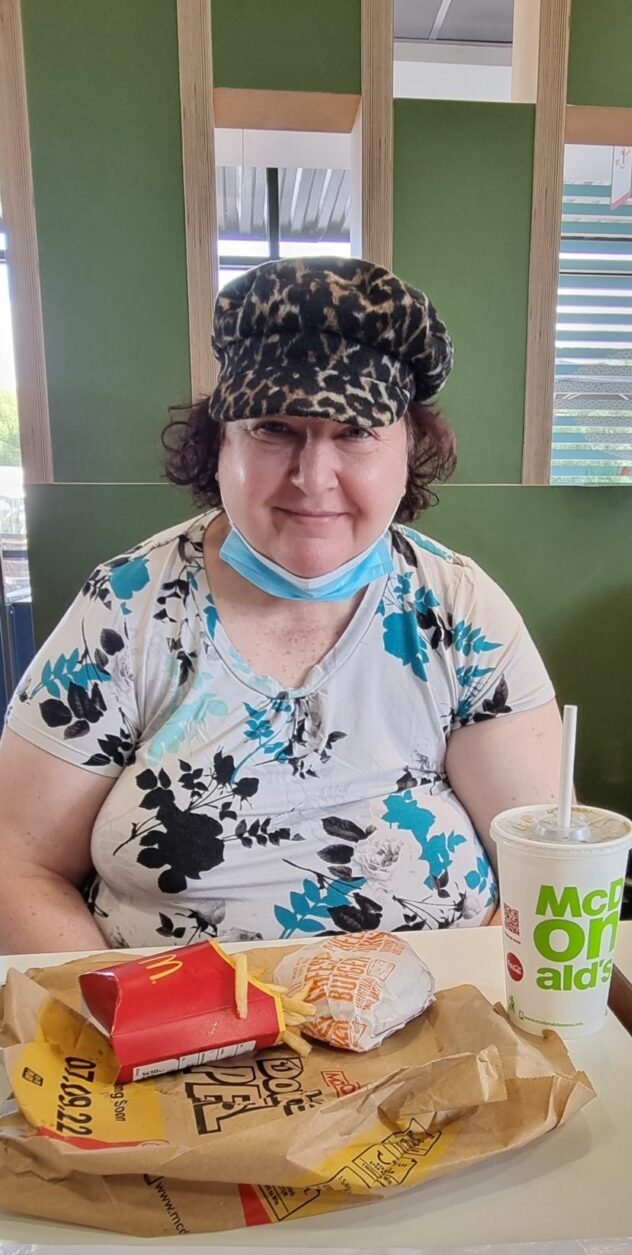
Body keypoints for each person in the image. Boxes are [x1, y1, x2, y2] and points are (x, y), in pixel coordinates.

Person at [0, 258, 562, 952]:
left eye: (355, 432)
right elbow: (18, 865)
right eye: (273, 428)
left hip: (439, 1008)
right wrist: (123, 1006)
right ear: (219, 443)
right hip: (178, 1017)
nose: (312, 478)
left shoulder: (460, 612)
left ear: (408, 448)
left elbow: (544, 865)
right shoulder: (123, 612)